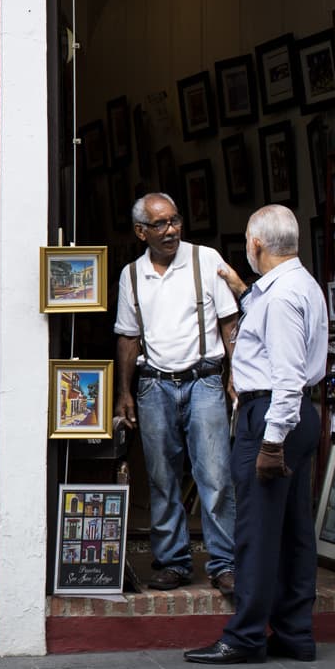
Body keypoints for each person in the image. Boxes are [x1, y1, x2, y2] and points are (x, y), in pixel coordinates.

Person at [184, 205, 327, 665]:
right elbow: (268, 325)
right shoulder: (297, 285)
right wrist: (240, 288)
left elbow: (286, 375)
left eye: (247, 240)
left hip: (273, 414)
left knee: (257, 531)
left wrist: (270, 442)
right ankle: (294, 633)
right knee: (293, 530)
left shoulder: (282, 297)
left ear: (257, 245)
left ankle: (245, 636)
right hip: (293, 413)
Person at [113, 193, 239, 596]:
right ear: (140, 232)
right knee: (162, 478)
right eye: (160, 224)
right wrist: (124, 392)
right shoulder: (131, 275)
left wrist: (234, 375)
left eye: (174, 221)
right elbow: (128, 337)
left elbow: (229, 323)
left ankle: (225, 563)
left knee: (215, 476)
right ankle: (172, 562)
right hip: (154, 385)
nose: (170, 230)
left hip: (203, 380)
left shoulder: (206, 259)